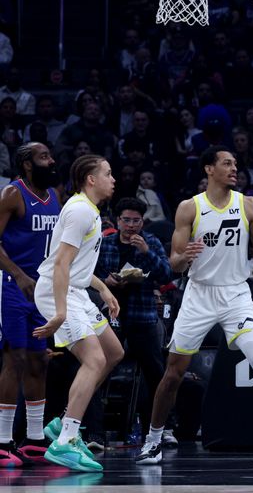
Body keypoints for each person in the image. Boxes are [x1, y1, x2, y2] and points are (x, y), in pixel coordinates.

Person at [135, 146, 253, 466]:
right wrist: (185, 255)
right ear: (209, 169)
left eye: (235, 163)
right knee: (174, 373)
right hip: (199, 295)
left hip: (236, 295)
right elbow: (175, 264)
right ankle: (153, 440)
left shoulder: (248, 204)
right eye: (226, 163)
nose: (234, 168)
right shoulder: (189, 208)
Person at [33, 154, 124, 472]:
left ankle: (62, 422)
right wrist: (59, 313)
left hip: (78, 291)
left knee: (113, 352)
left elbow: (76, 265)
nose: (114, 179)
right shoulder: (80, 211)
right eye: (108, 174)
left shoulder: (91, 211)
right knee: (95, 359)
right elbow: (59, 265)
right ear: (91, 179)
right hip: (58, 292)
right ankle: (65, 441)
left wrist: (102, 287)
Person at [0, 143, 61, 464]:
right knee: (16, 359)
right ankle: (2, 442)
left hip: (44, 292)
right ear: (26, 164)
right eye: (44, 157)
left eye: (51, 156)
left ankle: (35, 439)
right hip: (13, 289)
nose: (51, 162)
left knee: (40, 361)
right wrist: (20, 276)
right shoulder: (12, 194)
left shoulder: (55, 196)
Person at [93, 197, 174, 439]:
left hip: (143, 316)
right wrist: (105, 282)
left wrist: (146, 253)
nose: (131, 226)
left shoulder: (151, 242)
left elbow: (165, 275)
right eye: (126, 220)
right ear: (117, 221)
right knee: (96, 369)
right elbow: (89, 272)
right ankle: (94, 433)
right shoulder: (105, 243)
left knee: (155, 373)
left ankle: (160, 429)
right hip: (110, 317)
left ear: (143, 222)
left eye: (136, 221)